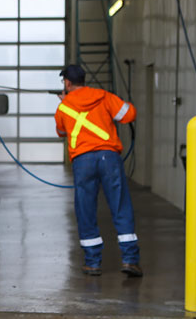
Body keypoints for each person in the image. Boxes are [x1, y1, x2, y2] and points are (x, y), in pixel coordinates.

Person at [55, 64, 143, 277]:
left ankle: (93, 262)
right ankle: (130, 260)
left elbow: (61, 131)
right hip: (109, 158)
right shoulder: (103, 96)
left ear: (67, 83)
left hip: (83, 161)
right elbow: (129, 115)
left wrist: (65, 102)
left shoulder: (64, 107)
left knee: (85, 209)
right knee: (120, 205)